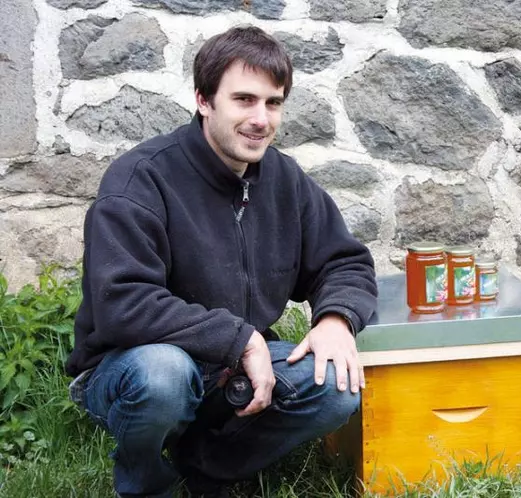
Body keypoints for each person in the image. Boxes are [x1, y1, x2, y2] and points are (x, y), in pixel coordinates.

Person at [65, 25, 378, 498]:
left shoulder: (285, 180)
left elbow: (345, 261)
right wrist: (240, 338)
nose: (261, 119)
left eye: (273, 103)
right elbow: (123, 304)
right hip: (132, 364)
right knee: (164, 377)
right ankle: (147, 482)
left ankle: (208, 467)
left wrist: (336, 318)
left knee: (337, 384)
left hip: (232, 368)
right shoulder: (140, 179)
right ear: (204, 100)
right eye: (244, 100)